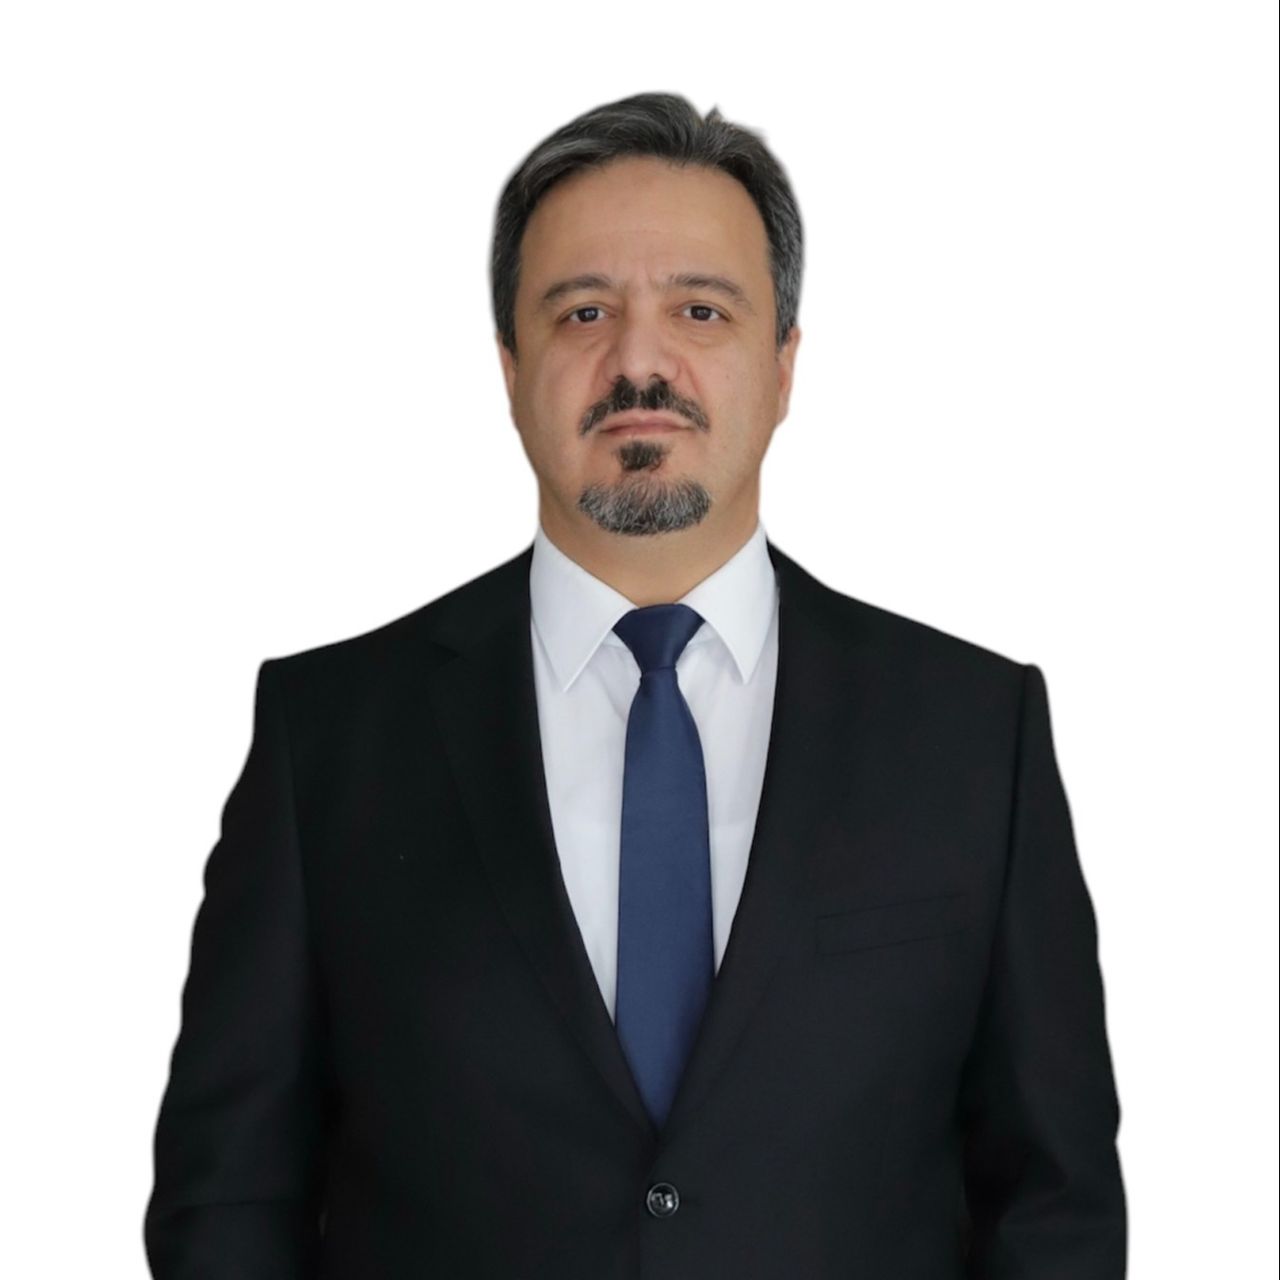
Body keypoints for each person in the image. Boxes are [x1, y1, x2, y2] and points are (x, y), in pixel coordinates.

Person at [144, 92, 1127, 1278]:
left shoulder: (973, 736)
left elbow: (1053, 1207)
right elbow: (228, 1199)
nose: (639, 362)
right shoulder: (329, 741)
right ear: (510, 367)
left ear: (783, 364)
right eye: (583, 311)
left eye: (699, 310)